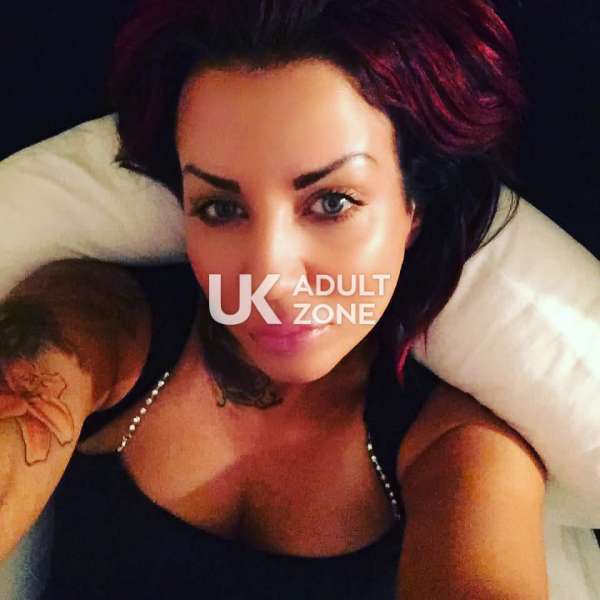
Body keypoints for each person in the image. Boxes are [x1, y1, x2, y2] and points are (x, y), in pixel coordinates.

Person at [0, 1, 548, 598]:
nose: (269, 277)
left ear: (414, 208)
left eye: (332, 203)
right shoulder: (102, 323)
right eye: (221, 208)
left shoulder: (458, 448)